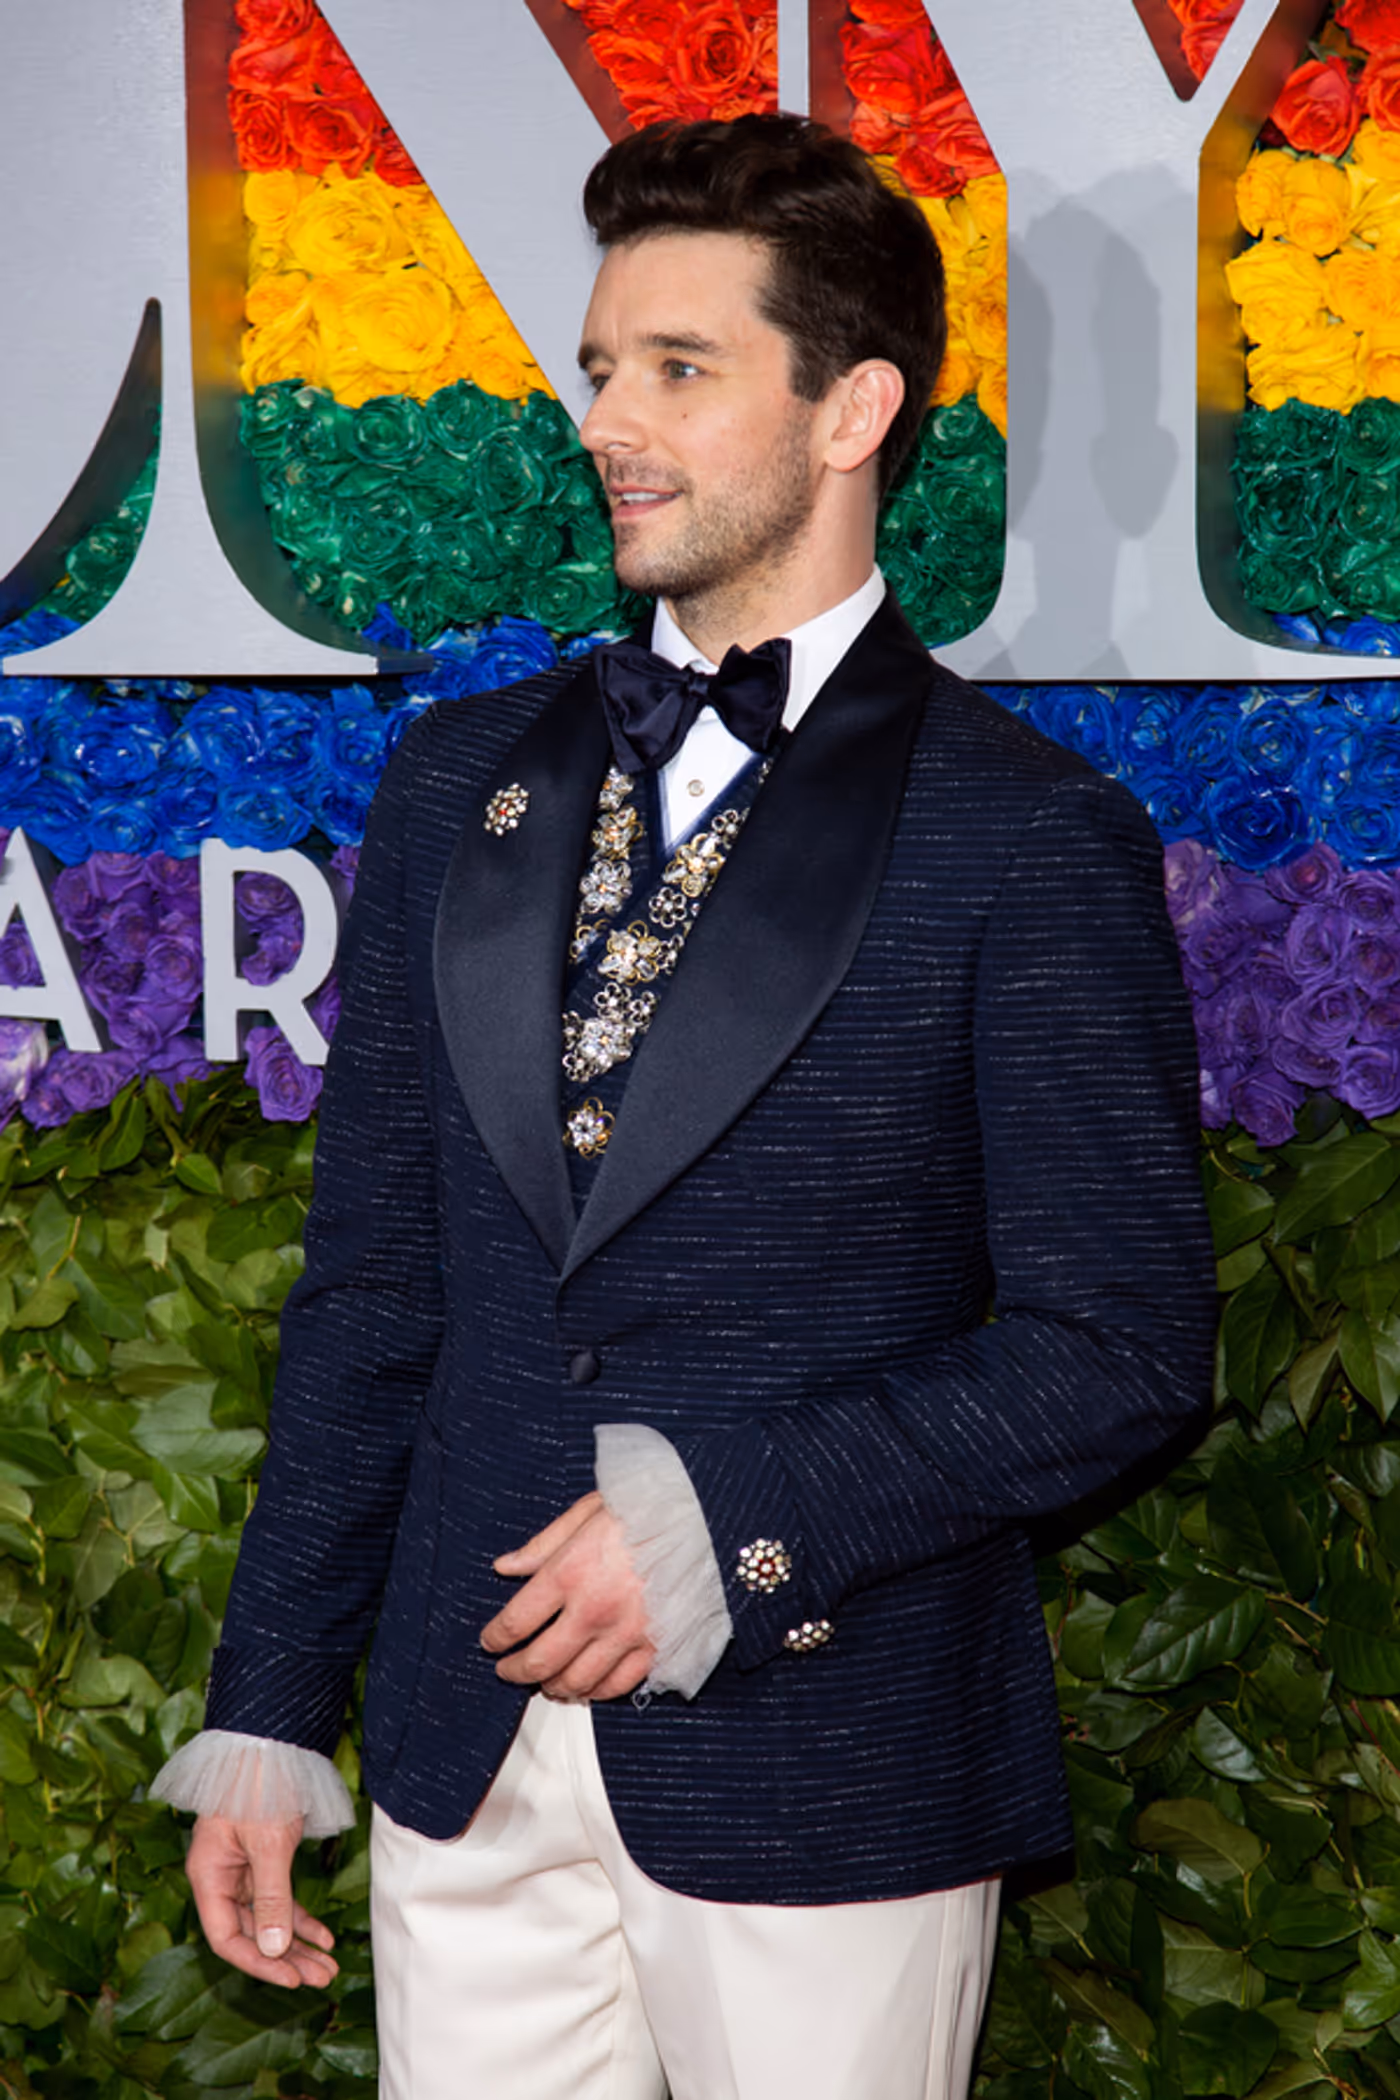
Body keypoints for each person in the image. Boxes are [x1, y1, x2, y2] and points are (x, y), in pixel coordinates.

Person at [153, 113, 1216, 2100]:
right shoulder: (450, 784)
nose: (612, 424)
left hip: (828, 1767)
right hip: (461, 1768)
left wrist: (723, 1524)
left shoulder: (1028, 837)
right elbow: (376, 1290)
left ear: (853, 408)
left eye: (680, 369)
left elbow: (1119, 1349)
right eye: (600, 369)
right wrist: (269, 1710)